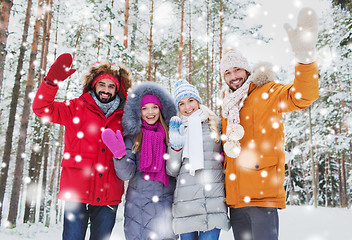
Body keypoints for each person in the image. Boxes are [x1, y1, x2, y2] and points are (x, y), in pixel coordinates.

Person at [219, 7, 319, 240]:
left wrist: (305, 60)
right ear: (223, 77)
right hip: (236, 200)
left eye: (237, 70)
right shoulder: (228, 106)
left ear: (246, 69)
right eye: (228, 73)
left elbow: (303, 96)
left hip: (262, 194)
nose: (234, 76)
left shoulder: (268, 91)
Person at [32, 53, 132, 240]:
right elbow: (41, 109)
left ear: (117, 90)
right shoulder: (75, 108)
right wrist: (50, 82)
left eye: (111, 86)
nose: (106, 90)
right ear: (93, 84)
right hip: (76, 192)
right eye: (102, 84)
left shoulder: (124, 117)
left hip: (108, 195)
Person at [101, 81, 177, 240]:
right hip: (138, 207)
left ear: (161, 109)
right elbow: (126, 174)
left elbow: (175, 169)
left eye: (154, 107)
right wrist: (120, 155)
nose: (150, 112)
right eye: (144, 108)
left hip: (166, 203)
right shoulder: (133, 137)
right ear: (138, 111)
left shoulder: (171, 135)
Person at [166, 79, 230, 240]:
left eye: (190, 101)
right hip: (185, 203)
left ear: (198, 101)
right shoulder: (177, 128)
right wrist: (176, 147)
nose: (187, 107)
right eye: (181, 104)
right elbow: (172, 170)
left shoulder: (216, 124)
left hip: (213, 201)